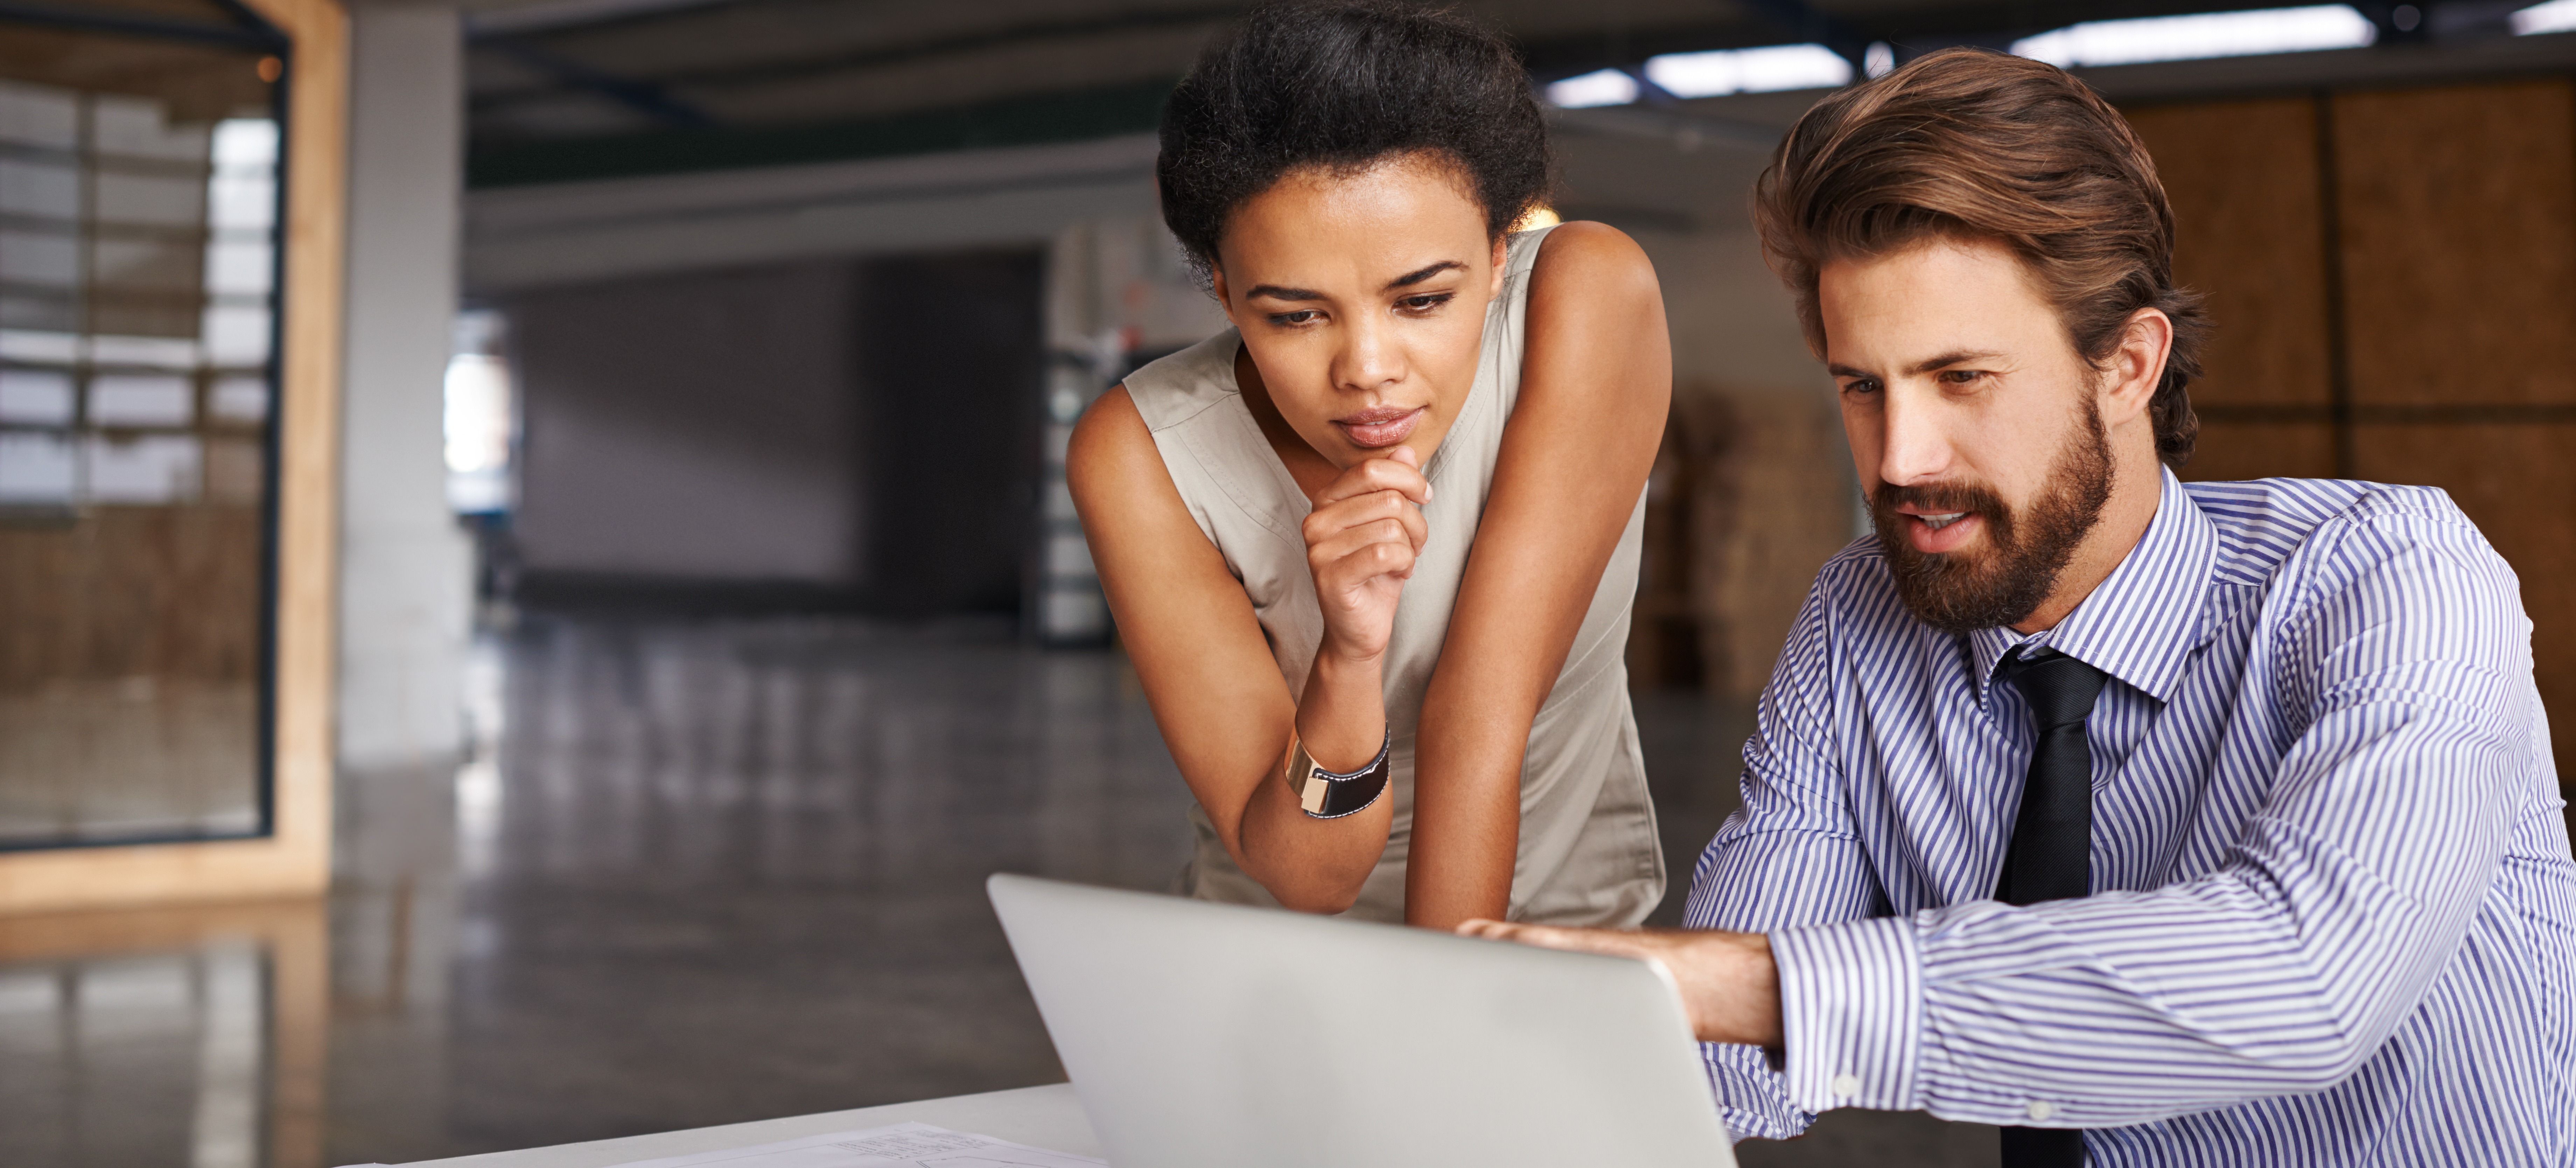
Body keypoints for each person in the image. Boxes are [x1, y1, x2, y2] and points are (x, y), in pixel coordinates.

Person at [1463, 47, 2576, 1166]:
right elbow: (1722, 1060)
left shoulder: (2392, 577)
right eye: (1864, 386)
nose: (1899, 461)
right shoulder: (1859, 621)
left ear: (2128, 366)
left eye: (1962, 379)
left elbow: (2313, 983)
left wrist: (1752, 989)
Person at [1068, 1, 1670, 930]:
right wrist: (1348, 659)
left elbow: (1478, 722)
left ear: (1497, 255)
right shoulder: (1141, 452)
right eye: (1295, 316)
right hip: (1276, 955)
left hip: (1546, 939)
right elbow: (1313, 882)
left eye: (1421, 301)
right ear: (1225, 291)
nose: (1368, 370)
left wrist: (1437, 1008)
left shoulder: (1583, 294)